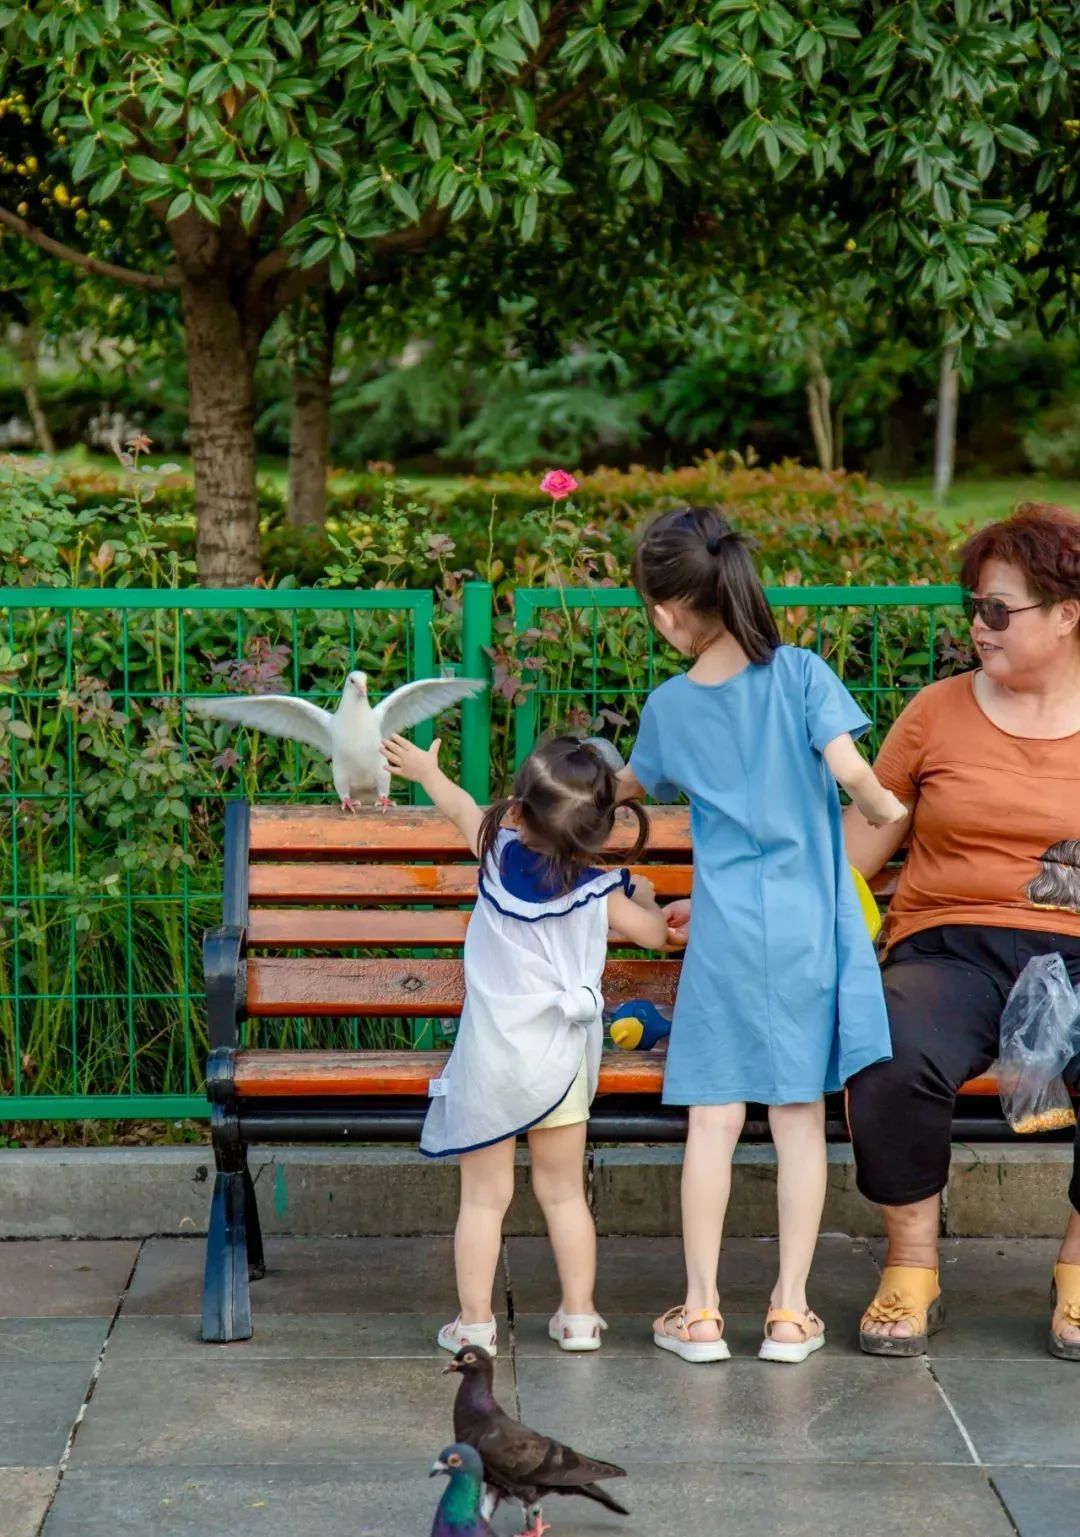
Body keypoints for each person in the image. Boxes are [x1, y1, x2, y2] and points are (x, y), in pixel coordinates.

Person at [619, 505, 901, 1365]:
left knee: (712, 1117)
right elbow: (851, 770)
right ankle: (788, 1312)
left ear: (667, 613)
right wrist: (883, 803)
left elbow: (628, 784)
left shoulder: (670, 704)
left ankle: (701, 1313)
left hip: (726, 935)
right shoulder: (804, 673)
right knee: (798, 1120)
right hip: (812, 932)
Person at [843, 504, 1080, 1360]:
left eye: (998, 610)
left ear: (1066, 613)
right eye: (975, 607)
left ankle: (1078, 1271)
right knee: (889, 1046)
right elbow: (855, 855)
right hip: (950, 946)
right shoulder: (936, 713)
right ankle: (911, 1263)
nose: (979, 627)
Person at [382, 731, 668, 1358]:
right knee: (564, 1193)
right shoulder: (602, 891)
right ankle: (580, 1317)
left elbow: (459, 806)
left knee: (484, 1200)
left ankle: (475, 1326)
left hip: (490, 1064)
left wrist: (428, 771)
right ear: (599, 828)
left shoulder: (494, 854)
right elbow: (657, 936)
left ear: (517, 811)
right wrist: (643, 895)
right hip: (561, 1062)